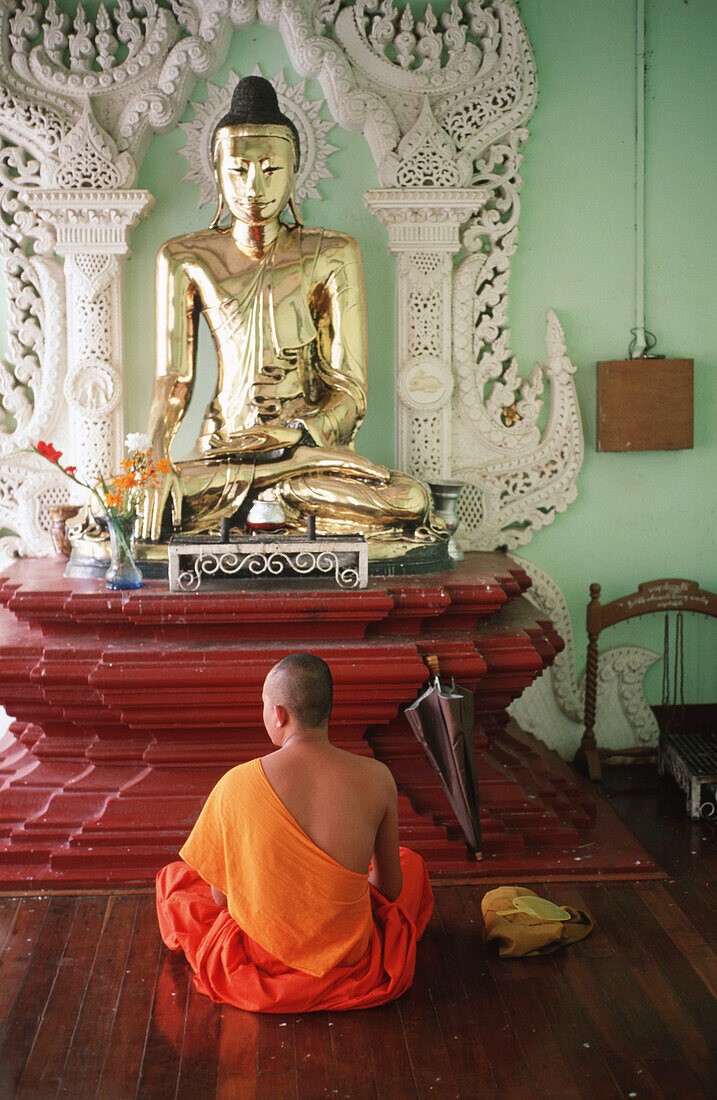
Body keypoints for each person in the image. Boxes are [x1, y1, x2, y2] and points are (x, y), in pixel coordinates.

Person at [139, 75, 443, 559]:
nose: (253, 187)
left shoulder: (333, 253)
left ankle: (268, 491)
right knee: (143, 502)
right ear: (216, 170)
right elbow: (174, 376)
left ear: (295, 168)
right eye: (238, 170)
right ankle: (264, 494)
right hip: (223, 455)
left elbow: (350, 392)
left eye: (269, 169)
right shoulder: (184, 258)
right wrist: (155, 459)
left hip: (308, 459)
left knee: (409, 499)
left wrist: (294, 434)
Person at [155, 653, 434, 1012]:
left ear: (280, 714)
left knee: (175, 881)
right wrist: (328, 899)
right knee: (410, 864)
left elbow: (223, 900)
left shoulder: (236, 784)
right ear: (327, 710)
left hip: (262, 956)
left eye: (264, 706)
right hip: (349, 957)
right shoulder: (377, 777)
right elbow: (390, 889)